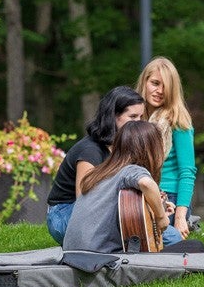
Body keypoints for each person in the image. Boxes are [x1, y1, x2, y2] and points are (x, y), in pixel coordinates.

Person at [62, 121, 204, 254]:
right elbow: (146, 183)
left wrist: (156, 209)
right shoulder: (131, 170)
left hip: (72, 252)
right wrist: (161, 217)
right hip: (98, 258)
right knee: (196, 246)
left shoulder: (103, 170)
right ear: (150, 149)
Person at [46, 86, 145, 244]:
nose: (138, 123)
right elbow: (86, 203)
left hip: (97, 211)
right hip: (65, 214)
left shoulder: (124, 147)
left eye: (141, 117)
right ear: (113, 116)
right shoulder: (90, 150)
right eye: (132, 117)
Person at [136, 57, 197, 239]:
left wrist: (180, 216)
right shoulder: (133, 118)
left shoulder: (178, 121)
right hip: (138, 190)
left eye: (166, 87)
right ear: (144, 82)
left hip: (169, 196)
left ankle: (187, 219)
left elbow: (187, 171)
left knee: (155, 236)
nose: (160, 91)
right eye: (155, 83)